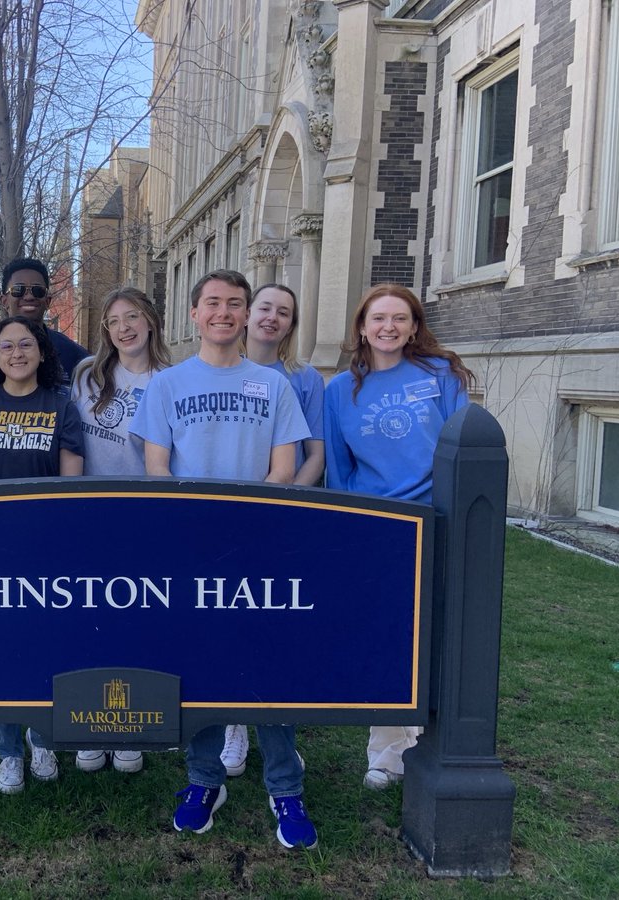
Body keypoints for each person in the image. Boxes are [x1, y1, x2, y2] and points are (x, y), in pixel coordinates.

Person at [130, 269, 318, 849]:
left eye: (235, 304)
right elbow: (157, 467)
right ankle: (204, 781)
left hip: (257, 546)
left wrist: (247, 525)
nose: (224, 313)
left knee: (269, 665)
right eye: (213, 303)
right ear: (193, 313)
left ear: (244, 315)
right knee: (204, 665)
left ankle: (285, 788)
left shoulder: (273, 385)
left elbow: (284, 470)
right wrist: (191, 523)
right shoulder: (167, 384)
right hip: (191, 546)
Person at [324, 283, 473, 790]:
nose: (388, 327)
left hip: (438, 521)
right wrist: (350, 529)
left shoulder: (442, 377)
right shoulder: (339, 390)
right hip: (378, 528)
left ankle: (429, 744)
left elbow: (464, 453)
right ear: (362, 328)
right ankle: (386, 752)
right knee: (388, 638)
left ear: (414, 327)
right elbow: (339, 471)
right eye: (378, 318)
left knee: (436, 635)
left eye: (400, 318)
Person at [0, 315, 84, 793]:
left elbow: (72, 483)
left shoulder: (62, 406)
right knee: (1, 652)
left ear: (43, 353)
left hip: (44, 548)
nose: (18, 353)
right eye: (7, 346)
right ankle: (9, 750)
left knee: (44, 648)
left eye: (27, 344)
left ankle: (42, 738)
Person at [218, 282, 326, 780]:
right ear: (246, 314)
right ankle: (232, 725)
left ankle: (279, 729)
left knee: (274, 625)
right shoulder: (220, 369)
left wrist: (284, 504)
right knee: (227, 620)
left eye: (284, 312)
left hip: (281, 514)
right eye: (264, 307)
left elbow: (315, 454)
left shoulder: (303, 380)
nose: (271, 318)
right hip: (228, 519)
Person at [69, 286, 170, 775]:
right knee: (90, 619)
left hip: (145, 517)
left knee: (138, 622)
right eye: (114, 321)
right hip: (88, 513)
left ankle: (131, 728)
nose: (124, 327)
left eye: (133, 316)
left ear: (151, 321)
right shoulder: (88, 375)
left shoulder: (171, 381)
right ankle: (92, 726)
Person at [0, 257, 89, 403]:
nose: (29, 296)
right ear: (4, 300)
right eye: (18, 290)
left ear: (48, 301)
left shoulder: (74, 355)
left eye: (38, 290)